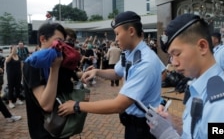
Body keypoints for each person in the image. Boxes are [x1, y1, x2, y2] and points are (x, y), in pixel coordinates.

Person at [58, 11, 165, 139]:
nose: (115, 39)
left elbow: (118, 105)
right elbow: (116, 72)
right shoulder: (131, 53)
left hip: (143, 128)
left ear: (131, 31)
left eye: (117, 34)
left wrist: (76, 106)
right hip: (133, 123)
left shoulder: (145, 62)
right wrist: (97, 71)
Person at [146, 13, 224, 139]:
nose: (173, 62)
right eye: (171, 56)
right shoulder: (201, 88)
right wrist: (173, 126)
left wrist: (168, 136)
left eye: (177, 53)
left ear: (202, 46)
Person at [23, 23, 71, 139]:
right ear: (43, 39)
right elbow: (46, 105)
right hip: (44, 131)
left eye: (63, 42)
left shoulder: (54, 59)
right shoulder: (34, 63)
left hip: (59, 127)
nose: (61, 46)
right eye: (58, 41)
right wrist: (55, 68)